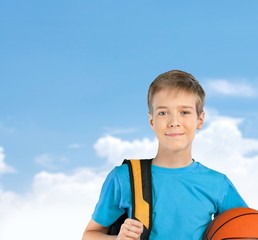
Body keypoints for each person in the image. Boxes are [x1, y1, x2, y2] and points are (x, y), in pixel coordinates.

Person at [82, 70, 248, 239]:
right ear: (151, 120)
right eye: (163, 113)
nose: (174, 122)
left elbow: (247, 229)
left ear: (200, 119)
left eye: (184, 112)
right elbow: (90, 235)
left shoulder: (218, 184)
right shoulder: (124, 177)